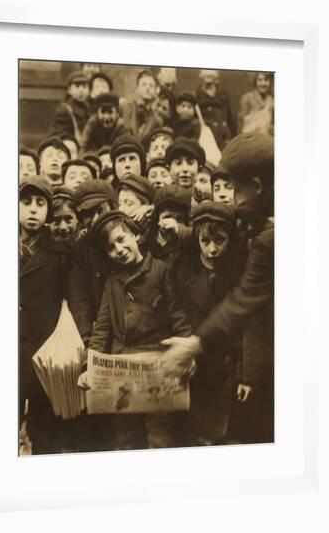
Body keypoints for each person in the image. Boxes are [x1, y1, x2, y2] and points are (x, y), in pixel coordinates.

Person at [162, 132, 275, 444]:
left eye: (236, 189)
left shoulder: (269, 239)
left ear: (257, 185)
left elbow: (244, 300)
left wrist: (193, 343)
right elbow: (220, 223)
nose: (234, 199)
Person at [80, 210, 192, 449]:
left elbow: (178, 317)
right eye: (111, 248)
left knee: (160, 438)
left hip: (158, 370)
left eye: (121, 240)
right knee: (125, 438)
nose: (118, 250)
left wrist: (186, 352)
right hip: (121, 376)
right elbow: (101, 331)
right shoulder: (112, 283)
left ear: (135, 235)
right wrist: (88, 368)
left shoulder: (161, 271)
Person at [180, 201, 243, 445]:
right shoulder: (183, 273)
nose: (213, 249)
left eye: (220, 241)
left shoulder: (240, 274)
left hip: (231, 364)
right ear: (196, 239)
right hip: (200, 366)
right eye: (205, 242)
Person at [19, 176, 73, 454]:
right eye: (26, 202)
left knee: (45, 436)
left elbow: (72, 301)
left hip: (45, 355)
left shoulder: (59, 253)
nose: (32, 209)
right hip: (7, 355)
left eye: (40, 203)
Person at [67, 180, 118, 345]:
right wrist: (87, 336)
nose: (96, 219)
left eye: (100, 210)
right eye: (88, 214)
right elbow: (78, 297)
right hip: (96, 335)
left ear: (112, 207)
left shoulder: (128, 241)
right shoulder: (80, 248)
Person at [195, 70, 235, 150]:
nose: (209, 74)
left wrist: (234, 138)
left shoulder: (223, 94)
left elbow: (230, 119)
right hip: (208, 138)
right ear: (200, 74)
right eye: (205, 71)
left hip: (224, 137)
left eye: (212, 71)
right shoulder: (196, 95)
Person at [120, 69, 163, 140]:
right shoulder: (125, 107)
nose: (147, 88)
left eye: (151, 86)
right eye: (144, 84)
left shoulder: (157, 120)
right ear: (137, 89)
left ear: (156, 91)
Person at [50, 71, 91, 144]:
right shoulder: (65, 110)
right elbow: (57, 135)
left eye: (84, 87)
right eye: (77, 86)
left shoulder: (89, 109)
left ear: (89, 90)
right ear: (69, 90)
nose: (81, 90)